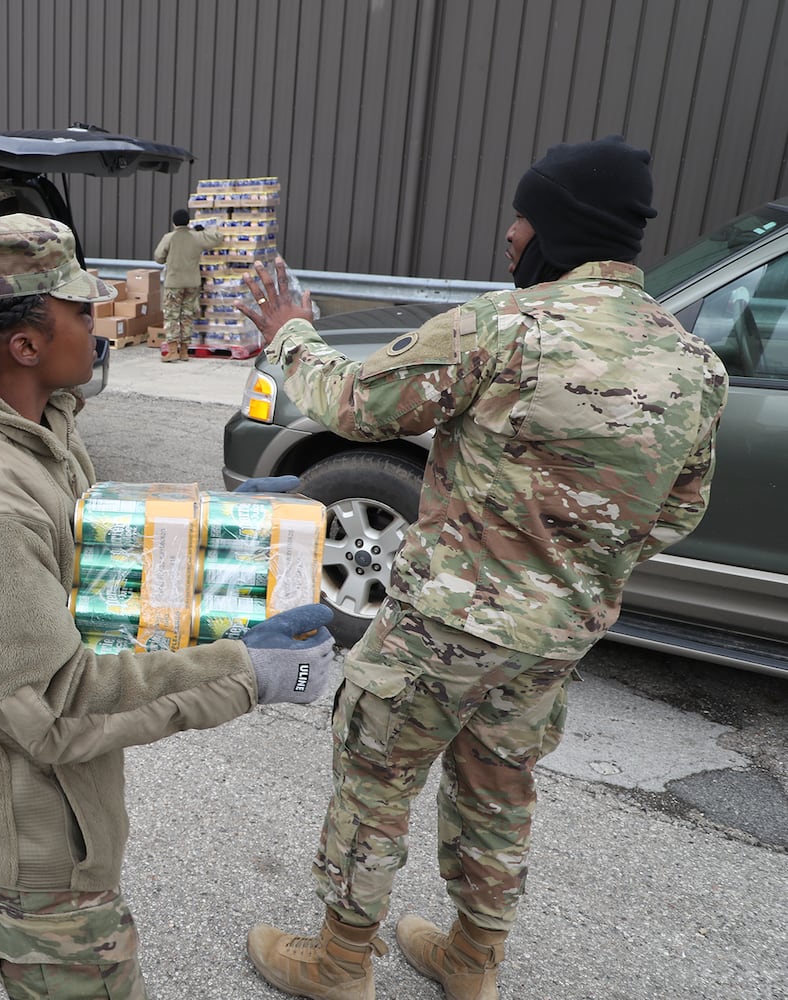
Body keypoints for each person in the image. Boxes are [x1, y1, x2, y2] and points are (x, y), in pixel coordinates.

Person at [235, 136, 727, 1000]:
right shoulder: (692, 364)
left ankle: (340, 965)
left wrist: (290, 335)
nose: (510, 233)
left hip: (443, 629)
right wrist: (571, 564)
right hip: (556, 638)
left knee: (377, 777)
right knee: (499, 788)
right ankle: (472, 959)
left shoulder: (499, 329)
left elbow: (356, 404)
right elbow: (678, 512)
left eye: (524, 214)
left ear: (558, 227)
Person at [0, 213, 338, 999]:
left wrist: (216, 531)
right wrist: (247, 673)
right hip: (30, 857)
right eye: (83, 312)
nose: (102, 325)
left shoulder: (35, 426)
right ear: (24, 344)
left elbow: (89, 542)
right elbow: (55, 712)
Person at [151, 208, 223, 362]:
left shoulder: (169, 237)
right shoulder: (196, 237)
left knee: (172, 316)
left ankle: (172, 351)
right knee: (187, 316)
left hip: (174, 283)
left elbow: (158, 257)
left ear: (174, 223)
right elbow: (218, 237)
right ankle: (184, 351)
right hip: (192, 283)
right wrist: (202, 231)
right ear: (188, 222)